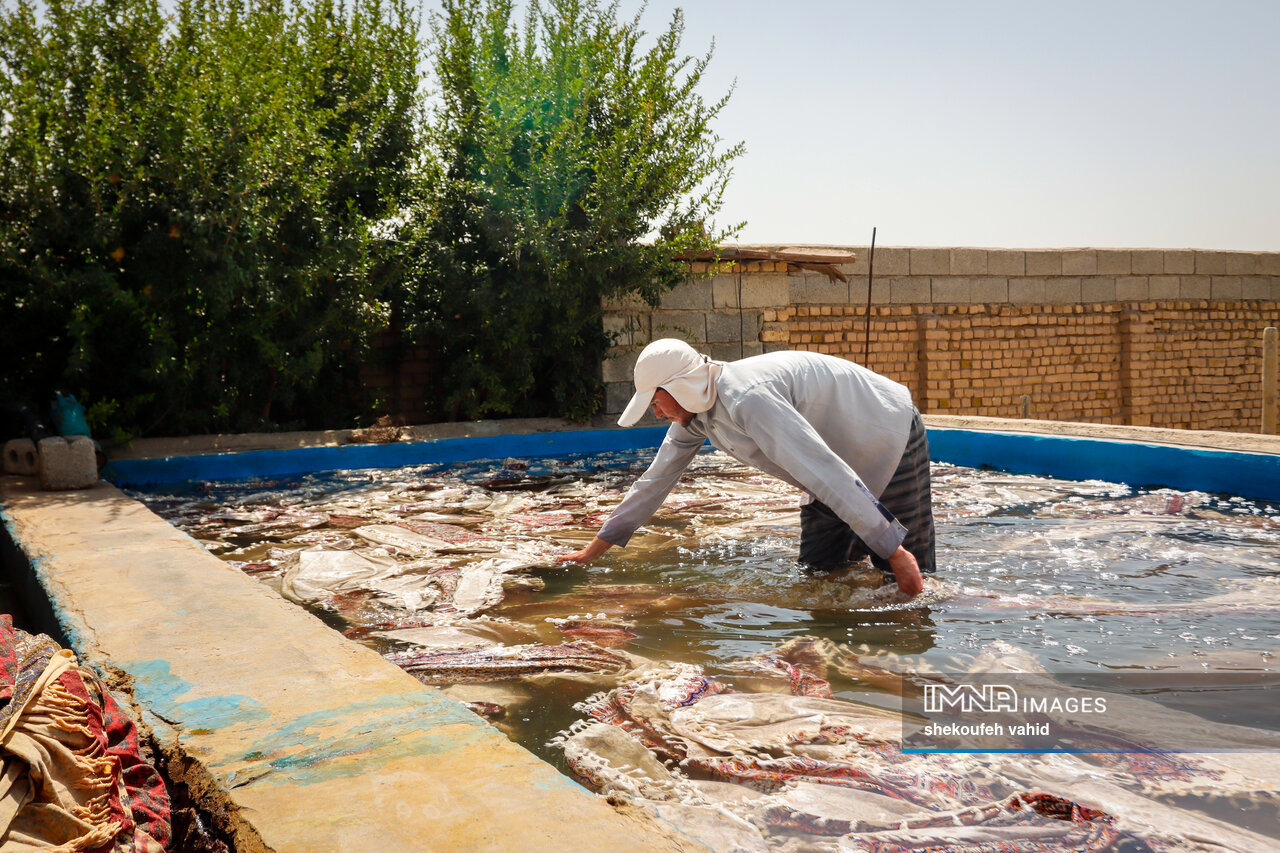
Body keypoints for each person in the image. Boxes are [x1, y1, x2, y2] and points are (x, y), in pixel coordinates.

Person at [558, 339, 934, 598]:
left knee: (909, 583)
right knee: (820, 574)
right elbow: (654, 482)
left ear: (681, 386)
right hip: (832, 467)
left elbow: (823, 469)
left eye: (656, 403)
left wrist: (894, 551)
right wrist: (593, 551)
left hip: (888, 435)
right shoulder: (695, 415)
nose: (656, 414)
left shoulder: (749, 398)